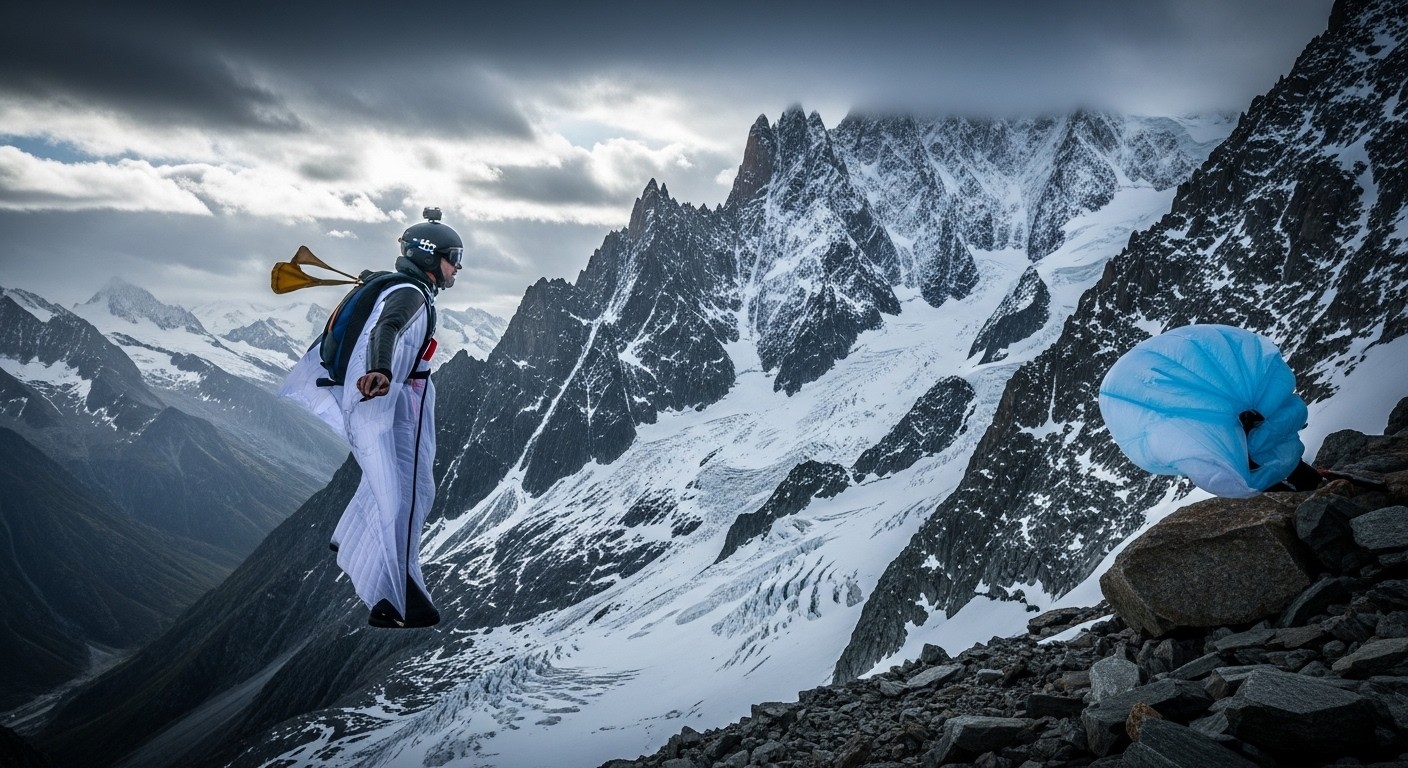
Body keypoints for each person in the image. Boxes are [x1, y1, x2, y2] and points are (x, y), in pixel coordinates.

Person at [280, 207, 463, 628]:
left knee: (395, 485)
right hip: (400, 402)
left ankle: (367, 560)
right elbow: (387, 329)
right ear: (430, 257)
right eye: (454, 257)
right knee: (409, 491)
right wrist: (380, 370)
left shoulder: (402, 287)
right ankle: (398, 596)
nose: (458, 268)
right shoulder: (411, 294)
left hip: (394, 398)